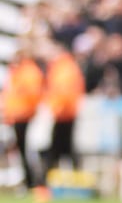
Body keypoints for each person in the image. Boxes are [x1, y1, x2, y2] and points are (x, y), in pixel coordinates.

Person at [3, 43, 44, 194]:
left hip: (25, 116)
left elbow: (32, 95)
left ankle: (34, 182)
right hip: (17, 116)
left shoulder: (29, 71)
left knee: (27, 150)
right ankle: (28, 181)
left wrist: (27, 111)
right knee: (20, 150)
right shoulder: (18, 71)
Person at [42, 41, 85, 176]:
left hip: (64, 114)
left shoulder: (64, 67)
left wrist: (57, 108)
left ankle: (52, 178)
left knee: (59, 148)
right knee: (65, 148)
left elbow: (64, 91)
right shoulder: (63, 66)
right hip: (64, 113)